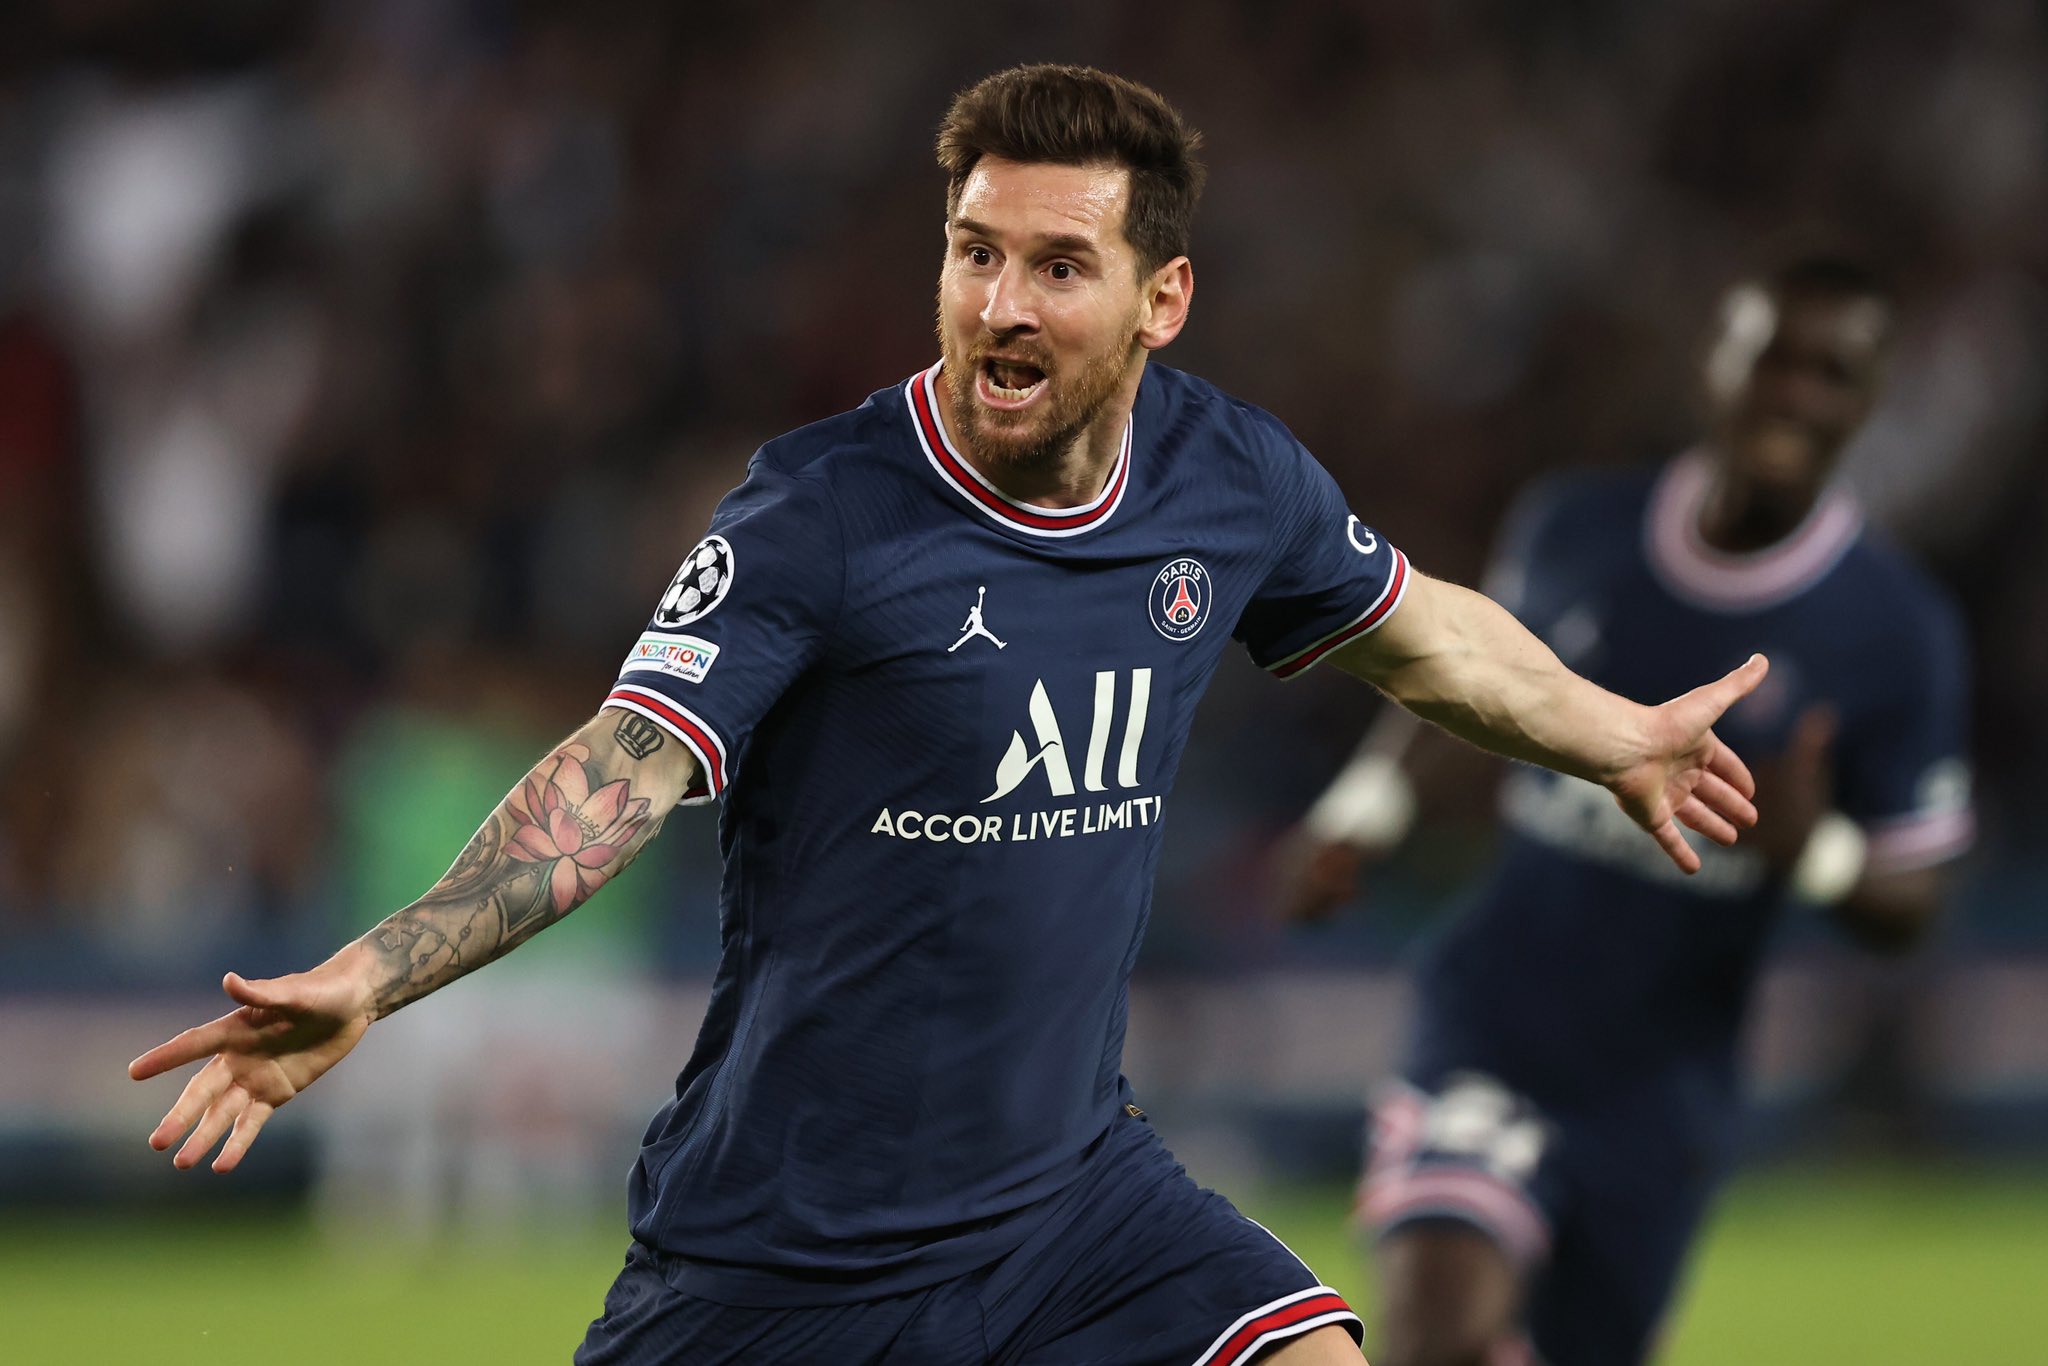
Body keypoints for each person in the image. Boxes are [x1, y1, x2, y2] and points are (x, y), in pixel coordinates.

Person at [129, 65, 1770, 1366]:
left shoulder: (1227, 480)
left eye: (1058, 265)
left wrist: (1611, 732)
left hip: (1071, 1208)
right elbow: (618, 772)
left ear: (1161, 297)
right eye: (974, 252)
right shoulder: (817, 513)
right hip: (780, 1255)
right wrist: (374, 970)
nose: (999, 303)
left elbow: (1429, 646)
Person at [1279, 259, 1973, 1366]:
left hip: (1659, 1095)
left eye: (1829, 372)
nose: (1792, 393)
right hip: (1491, 1028)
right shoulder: (1574, 528)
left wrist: (1820, 856)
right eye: (1769, 359)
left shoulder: (1894, 631)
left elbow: (1916, 898)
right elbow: (1460, 681)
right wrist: (1368, 806)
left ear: (1866, 401)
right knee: (1435, 1335)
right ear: (1713, 363)